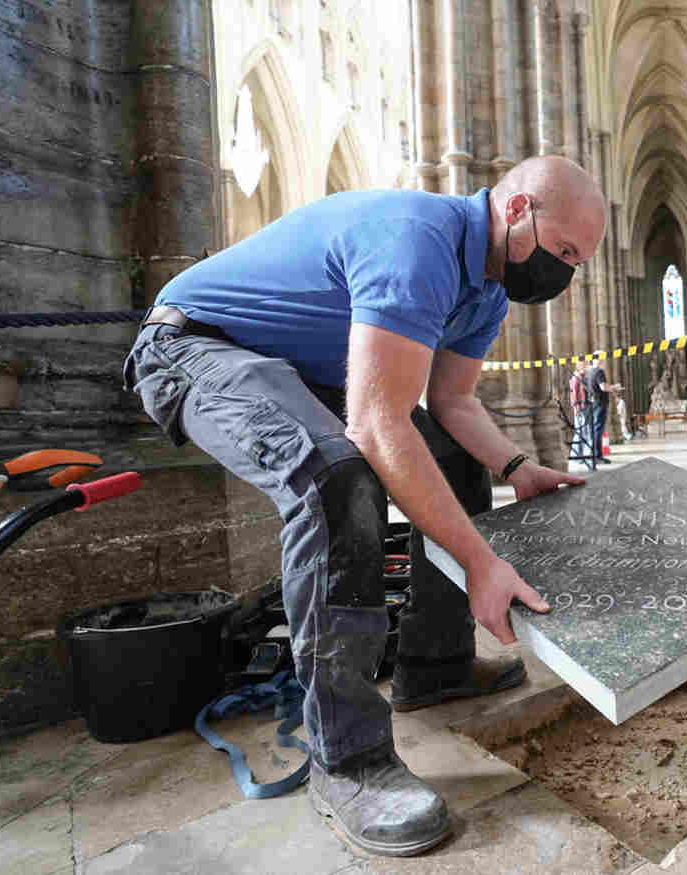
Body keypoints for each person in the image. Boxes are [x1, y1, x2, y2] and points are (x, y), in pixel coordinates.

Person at [123, 156, 606, 857]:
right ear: (518, 208)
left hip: (294, 372)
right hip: (194, 346)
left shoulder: (489, 290)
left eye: (579, 262)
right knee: (336, 479)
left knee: (449, 449)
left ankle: (433, 664)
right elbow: (377, 424)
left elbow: (452, 402)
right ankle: (349, 759)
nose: (564, 273)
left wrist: (516, 465)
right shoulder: (419, 240)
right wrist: (480, 563)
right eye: (564, 251)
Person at [585, 355, 622, 462]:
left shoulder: (590, 372)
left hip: (593, 402)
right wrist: (614, 387)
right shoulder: (599, 371)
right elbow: (603, 387)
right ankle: (597, 456)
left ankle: (594, 455)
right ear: (601, 360)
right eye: (604, 359)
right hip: (600, 402)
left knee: (595, 428)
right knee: (598, 429)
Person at [569, 361, 589, 460]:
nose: (588, 367)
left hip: (583, 407)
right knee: (580, 431)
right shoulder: (576, 378)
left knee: (583, 431)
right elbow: (574, 395)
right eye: (586, 365)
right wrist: (576, 409)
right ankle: (576, 455)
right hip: (580, 408)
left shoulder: (581, 377)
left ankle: (581, 454)